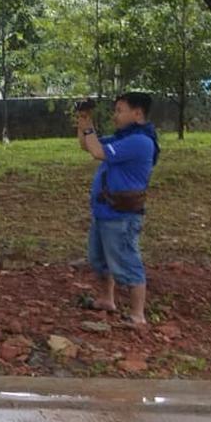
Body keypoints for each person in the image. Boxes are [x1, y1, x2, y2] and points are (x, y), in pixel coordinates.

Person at [76, 93, 160, 327]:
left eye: (119, 110)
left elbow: (97, 152)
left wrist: (90, 129)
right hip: (106, 210)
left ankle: (137, 314)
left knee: (127, 260)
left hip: (121, 215)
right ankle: (106, 299)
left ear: (137, 113)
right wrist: (84, 122)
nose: (115, 115)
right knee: (99, 258)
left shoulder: (140, 141)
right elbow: (87, 145)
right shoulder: (124, 137)